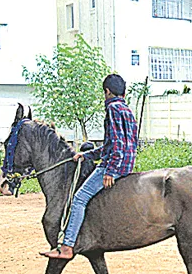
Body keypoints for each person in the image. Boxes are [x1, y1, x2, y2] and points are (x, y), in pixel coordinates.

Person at [40, 74, 138, 259]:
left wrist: (110, 170)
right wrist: (87, 155)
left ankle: (67, 246)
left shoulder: (113, 109)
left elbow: (116, 143)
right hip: (127, 163)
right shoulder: (127, 109)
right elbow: (116, 144)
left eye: (104, 93)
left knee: (79, 198)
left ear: (107, 91)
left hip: (115, 166)